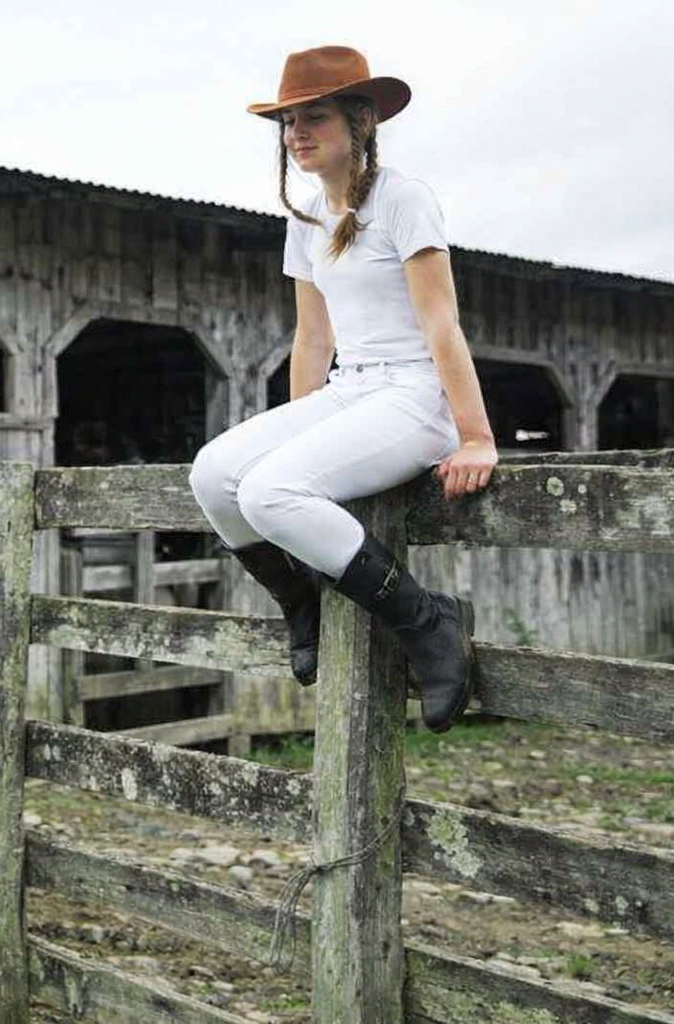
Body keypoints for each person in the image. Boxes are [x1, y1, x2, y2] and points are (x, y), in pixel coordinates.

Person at [187, 45, 498, 732]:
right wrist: (304, 428)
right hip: (349, 391)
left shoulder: (404, 200)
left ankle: (426, 621)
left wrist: (476, 435)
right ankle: (301, 602)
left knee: (271, 491)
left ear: (360, 122)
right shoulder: (306, 216)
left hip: (416, 398)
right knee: (214, 475)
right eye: (288, 122)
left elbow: (440, 320)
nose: (297, 133)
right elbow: (313, 341)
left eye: (314, 118)